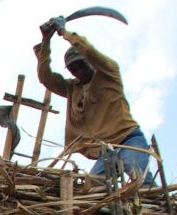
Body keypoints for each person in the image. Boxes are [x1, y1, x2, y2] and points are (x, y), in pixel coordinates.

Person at [34, 17, 153, 186]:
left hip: (128, 140)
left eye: (81, 65)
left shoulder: (109, 73)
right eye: (73, 69)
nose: (78, 71)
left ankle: (149, 208)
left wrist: (64, 33)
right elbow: (45, 77)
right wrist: (46, 40)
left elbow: (88, 50)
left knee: (139, 179)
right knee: (93, 188)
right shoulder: (72, 88)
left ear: (90, 62)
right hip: (106, 151)